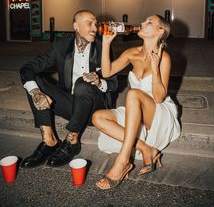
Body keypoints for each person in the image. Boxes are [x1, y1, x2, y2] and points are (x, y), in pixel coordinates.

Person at [92, 14, 181, 190]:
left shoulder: (164, 58)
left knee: (133, 94)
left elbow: (159, 97)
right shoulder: (131, 53)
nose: (141, 23)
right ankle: (146, 149)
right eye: (143, 20)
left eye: (149, 22)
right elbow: (107, 72)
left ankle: (123, 161)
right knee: (98, 117)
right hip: (135, 108)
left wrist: (155, 71)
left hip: (158, 111)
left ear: (160, 31)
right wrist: (106, 43)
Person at [20, 10, 118, 168]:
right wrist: (35, 92)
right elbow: (27, 68)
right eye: (89, 23)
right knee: (34, 81)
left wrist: (99, 82)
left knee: (82, 83)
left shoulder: (102, 47)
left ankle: (72, 140)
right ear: (76, 26)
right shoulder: (61, 45)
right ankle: (49, 140)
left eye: (96, 24)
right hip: (71, 103)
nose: (95, 27)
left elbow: (113, 84)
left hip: (94, 107)